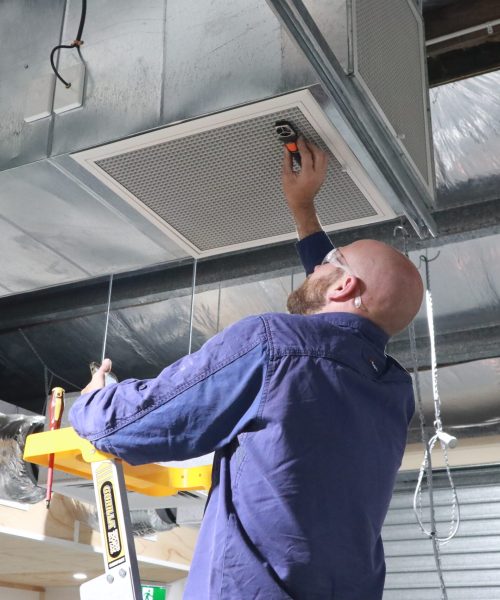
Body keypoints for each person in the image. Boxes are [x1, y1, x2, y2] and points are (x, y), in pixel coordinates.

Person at [69, 138, 423, 600]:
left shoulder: (272, 347)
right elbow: (337, 325)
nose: (316, 264)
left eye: (330, 261)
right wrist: (304, 213)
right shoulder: (393, 392)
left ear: (344, 285)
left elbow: (134, 423)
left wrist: (92, 401)